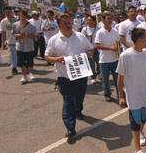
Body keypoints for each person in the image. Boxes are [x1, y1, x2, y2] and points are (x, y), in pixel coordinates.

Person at [45, 13, 94, 143]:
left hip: (81, 74)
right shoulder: (54, 40)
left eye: (70, 23)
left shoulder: (80, 36)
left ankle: (78, 111)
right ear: (59, 25)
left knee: (79, 97)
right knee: (68, 101)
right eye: (65, 24)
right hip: (64, 77)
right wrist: (57, 59)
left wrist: (86, 55)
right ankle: (70, 127)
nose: (69, 25)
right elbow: (47, 56)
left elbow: (91, 49)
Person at [116, 28, 146, 153]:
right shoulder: (125, 56)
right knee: (135, 122)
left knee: (145, 117)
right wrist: (121, 96)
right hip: (134, 96)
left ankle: (139, 132)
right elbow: (120, 78)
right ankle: (138, 150)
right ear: (139, 40)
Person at [95, 12, 120, 102]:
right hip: (104, 60)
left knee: (117, 79)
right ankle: (107, 94)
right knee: (105, 80)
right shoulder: (100, 32)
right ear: (103, 20)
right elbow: (97, 45)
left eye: (111, 19)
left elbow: (118, 43)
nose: (110, 21)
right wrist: (110, 48)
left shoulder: (115, 31)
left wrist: (117, 49)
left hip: (115, 59)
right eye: (108, 19)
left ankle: (120, 95)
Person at [12, 10, 37, 84]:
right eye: (19, 15)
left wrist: (26, 34)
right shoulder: (15, 24)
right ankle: (24, 76)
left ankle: (31, 72)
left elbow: (35, 36)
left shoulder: (31, 26)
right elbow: (13, 33)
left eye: (22, 15)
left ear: (26, 16)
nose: (20, 17)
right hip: (20, 46)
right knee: (21, 62)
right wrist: (18, 35)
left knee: (30, 63)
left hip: (29, 47)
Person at [81, 15, 100, 84]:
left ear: (94, 21)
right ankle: (93, 77)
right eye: (88, 20)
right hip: (89, 49)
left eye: (90, 20)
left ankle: (99, 73)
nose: (89, 22)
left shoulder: (98, 28)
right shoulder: (84, 29)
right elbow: (82, 39)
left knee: (98, 62)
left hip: (97, 48)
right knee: (91, 63)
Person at [0, 6, 18, 75]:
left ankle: (23, 66)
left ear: (11, 11)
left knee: (19, 54)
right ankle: (14, 67)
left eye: (8, 11)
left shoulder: (17, 19)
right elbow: (3, 32)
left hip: (19, 40)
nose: (7, 13)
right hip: (10, 40)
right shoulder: (3, 21)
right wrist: (3, 42)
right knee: (12, 54)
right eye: (6, 12)